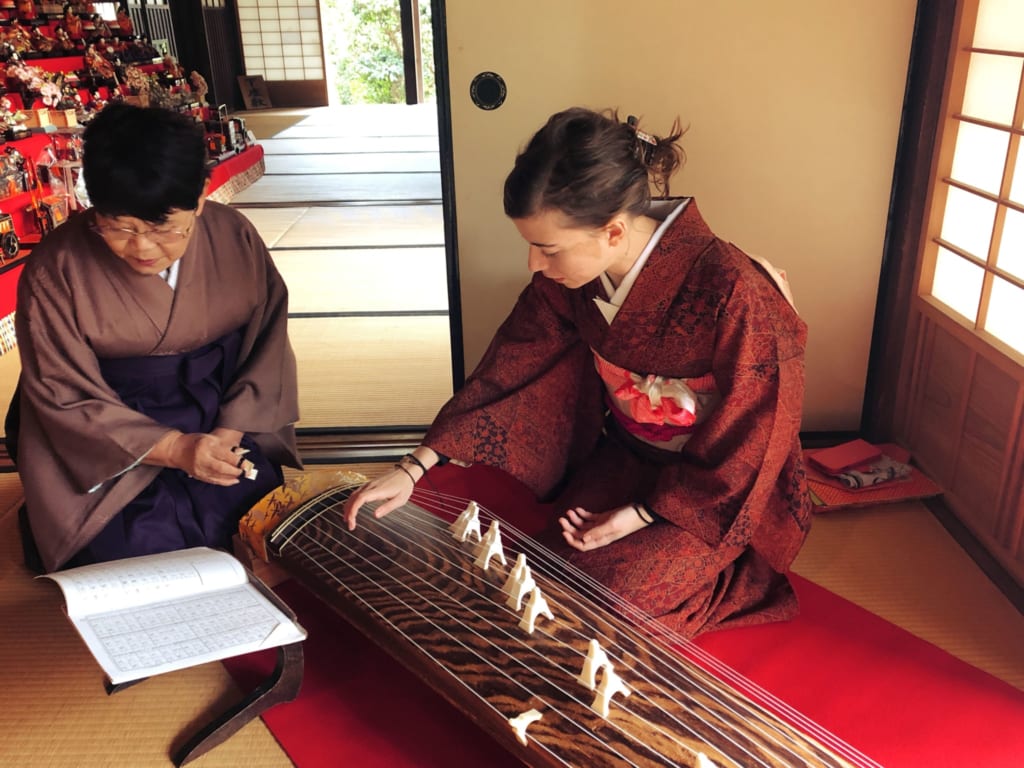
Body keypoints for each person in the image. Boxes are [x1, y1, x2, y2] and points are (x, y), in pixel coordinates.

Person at [344, 107, 811, 637]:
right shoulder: (571, 280)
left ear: (613, 232)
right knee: (542, 576)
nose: (533, 264)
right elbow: (512, 365)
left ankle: (743, 575)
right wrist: (414, 467)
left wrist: (644, 515)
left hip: (712, 487)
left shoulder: (735, 291)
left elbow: (759, 431)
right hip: (627, 454)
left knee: (609, 609)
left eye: (547, 248)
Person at [6, 103, 301, 573]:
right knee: (129, 559)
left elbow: (267, 345)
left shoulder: (234, 236)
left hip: (221, 417)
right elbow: (62, 391)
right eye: (119, 227)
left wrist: (227, 434)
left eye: (162, 227)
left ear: (200, 196)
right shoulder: (56, 267)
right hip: (110, 439)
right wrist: (176, 449)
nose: (141, 247)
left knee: (257, 531)